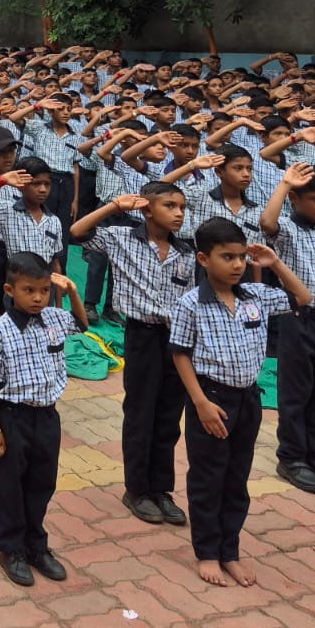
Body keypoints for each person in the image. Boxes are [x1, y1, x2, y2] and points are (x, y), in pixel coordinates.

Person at [169, 220, 313, 588]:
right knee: (207, 479)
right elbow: (180, 354)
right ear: (203, 258)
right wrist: (199, 402)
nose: (236, 265)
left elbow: (303, 297)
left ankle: (230, 550)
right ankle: (208, 553)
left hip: (248, 399)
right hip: (212, 400)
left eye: (240, 257)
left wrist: (275, 263)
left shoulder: (256, 296)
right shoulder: (190, 303)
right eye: (226, 257)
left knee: (237, 479)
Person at [70, 182, 192, 527]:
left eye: (182, 207)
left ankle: (161, 489)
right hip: (141, 336)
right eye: (170, 206)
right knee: (141, 413)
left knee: (168, 416)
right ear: (147, 210)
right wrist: (114, 207)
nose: (179, 213)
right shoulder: (122, 238)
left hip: (176, 339)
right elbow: (78, 232)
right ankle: (137, 489)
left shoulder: (186, 252)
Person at [0, 251, 88, 587]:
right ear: (11, 291)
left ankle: (36, 544)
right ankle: (10, 549)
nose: (38, 297)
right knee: (10, 485)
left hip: (47, 417)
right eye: (29, 291)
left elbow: (83, 324)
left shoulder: (55, 318)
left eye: (43, 290)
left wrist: (71, 292)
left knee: (43, 481)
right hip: (13, 418)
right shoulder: (0, 330)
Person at [258, 164, 315, 495]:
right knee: (297, 392)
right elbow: (266, 223)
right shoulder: (286, 229)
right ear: (296, 199)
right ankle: (292, 457)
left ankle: (314, 453)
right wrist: (285, 184)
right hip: (299, 319)